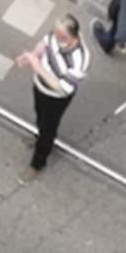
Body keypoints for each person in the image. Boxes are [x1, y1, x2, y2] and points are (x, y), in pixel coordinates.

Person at [18, 15, 89, 180]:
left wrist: (36, 66)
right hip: (39, 87)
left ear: (71, 36)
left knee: (48, 127)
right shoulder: (56, 35)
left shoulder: (80, 59)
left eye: (60, 36)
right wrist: (33, 55)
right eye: (55, 33)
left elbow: (62, 87)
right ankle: (39, 136)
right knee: (40, 116)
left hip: (56, 98)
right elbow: (44, 43)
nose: (56, 37)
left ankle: (38, 163)